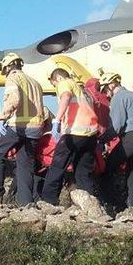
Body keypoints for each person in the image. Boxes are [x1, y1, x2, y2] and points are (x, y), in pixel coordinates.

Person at [0, 52, 46, 206]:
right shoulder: (34, 82)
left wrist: (2, 118)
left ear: (8, 66)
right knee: (25, 165)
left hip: (18, 126)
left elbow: (14, 99)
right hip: (35, 129)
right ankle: (26, 203)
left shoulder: (13, 77)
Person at [40, 69, 100, 205]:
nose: (55, 86)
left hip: (74, 133)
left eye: (53, 83)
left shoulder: (65, 83)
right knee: (82, 172)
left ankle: (48, 202)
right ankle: (90, 205)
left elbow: (66, 96)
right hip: (90, 136)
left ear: (58, 78)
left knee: (57, 167)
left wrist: (57, 120)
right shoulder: (84, 91)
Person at [99, 72, 133, 215]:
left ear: (111, 85)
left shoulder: (118, 98)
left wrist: (101, 139)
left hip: (131, 138)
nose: (106, 94)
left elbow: (116, 126)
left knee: (107, 169)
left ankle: (114, 205)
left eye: (105, 90)